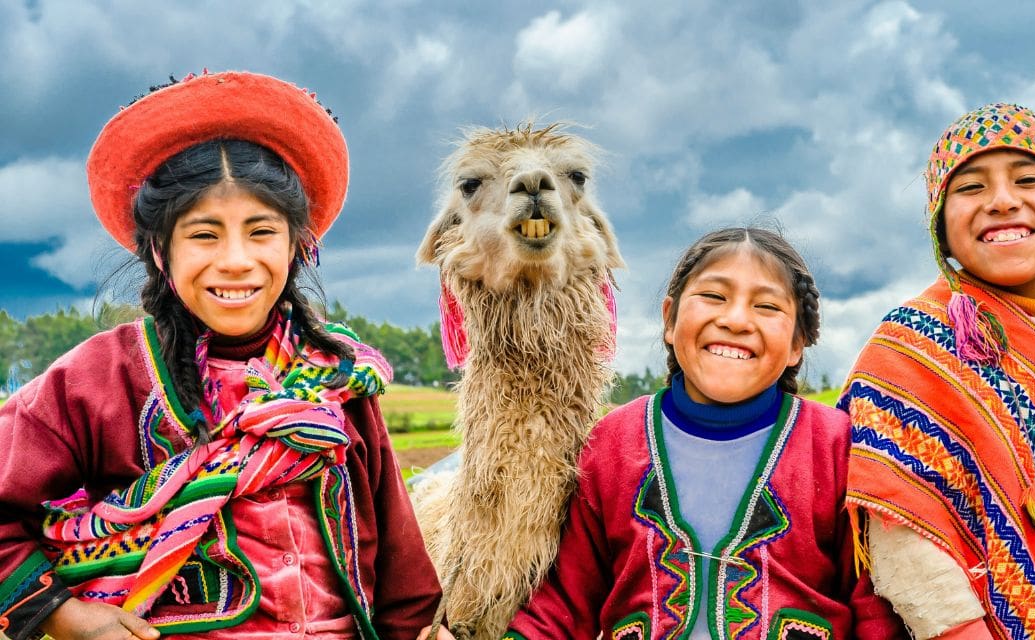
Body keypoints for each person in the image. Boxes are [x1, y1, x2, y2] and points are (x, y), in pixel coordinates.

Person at [0, 71, 441, 640]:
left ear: (296, 245)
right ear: (160, 250)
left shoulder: (337, 377)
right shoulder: (97, 381)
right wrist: (67, 617)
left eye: (261, 232)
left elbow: (400, 562)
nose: (236, 261)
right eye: (205, 235)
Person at [493, 227, 904, 639]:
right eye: (713, 296)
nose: (735, 320)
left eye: (766, 306)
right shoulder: (613, 443)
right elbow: (565, 601)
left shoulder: (835, 446)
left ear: (798, 343)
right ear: (669, 319)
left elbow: (873, 605)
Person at [842, 102, 1035, 639]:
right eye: (971, 188)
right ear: (942, 228)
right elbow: (904, 537)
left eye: (1028, 179)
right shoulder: (907, 353)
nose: (1002, 201)